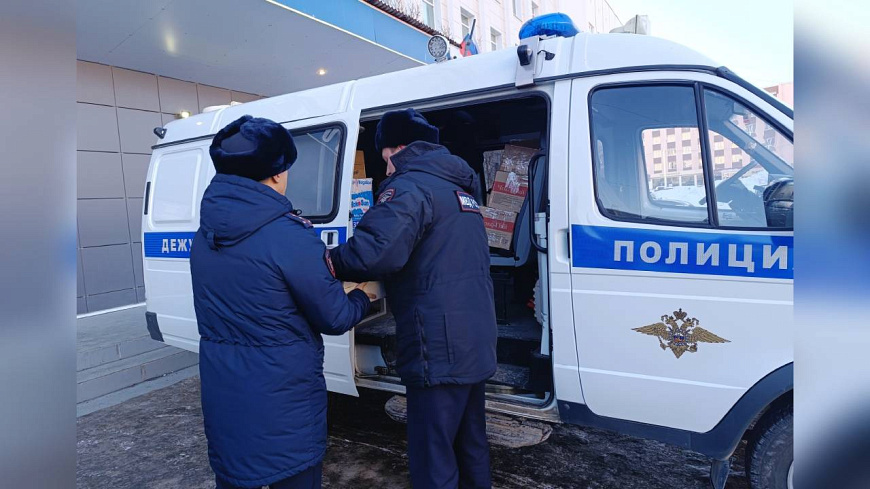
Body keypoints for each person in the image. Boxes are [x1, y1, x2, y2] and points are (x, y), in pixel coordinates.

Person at [190, 115, 371, 489]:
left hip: (226, 398)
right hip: (284, 406)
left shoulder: (205, 235)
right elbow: (335, 317)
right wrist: (361, 296)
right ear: (276, 173)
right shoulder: (289, 236)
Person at [327, 108, 498, 488]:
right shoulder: (459, 189)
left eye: (386, 158)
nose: (386, 168)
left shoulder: (409, 187)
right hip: (474, 336)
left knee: (433, 452)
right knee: (470, 442)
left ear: (398, 149)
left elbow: (374, 253)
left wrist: (327, 260)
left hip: (437, 343)